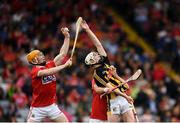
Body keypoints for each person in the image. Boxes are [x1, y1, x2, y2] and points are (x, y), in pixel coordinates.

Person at [81, 20, 136, 122]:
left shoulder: (105, 62)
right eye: (96, 55)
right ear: (93, 61)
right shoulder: (97, 75)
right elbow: (111, 88)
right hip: (114, 101)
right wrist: (125, 96)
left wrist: (87, 30)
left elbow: (98, 45)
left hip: (123, 98)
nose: (98, 54)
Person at [26, 27, 72, 122]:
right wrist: (65, 65)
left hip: (51, 106)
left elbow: (62, 54)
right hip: (38, 108)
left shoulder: (49, 64)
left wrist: (67, 37)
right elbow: (49, 72)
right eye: (39, 56)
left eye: (41, 54)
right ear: (34, 61)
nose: (42, 56)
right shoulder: (35, 71)